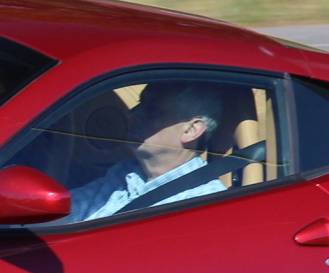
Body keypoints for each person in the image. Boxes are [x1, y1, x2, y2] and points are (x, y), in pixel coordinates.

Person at [64, 80, 237, 220]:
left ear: (191, 130)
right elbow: (64, 212)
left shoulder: (204, 205)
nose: (133, 113)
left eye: (152, 110)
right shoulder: (125, 173)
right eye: (140, 103)